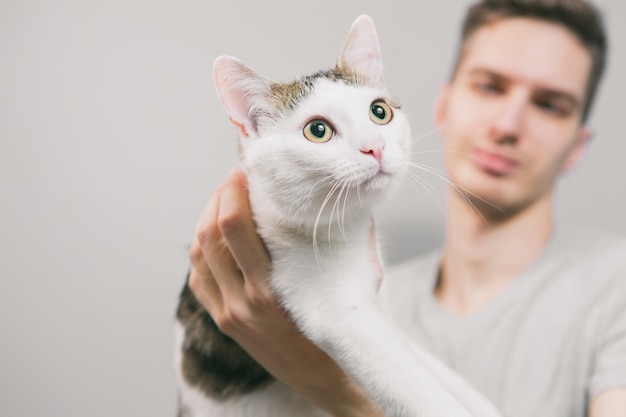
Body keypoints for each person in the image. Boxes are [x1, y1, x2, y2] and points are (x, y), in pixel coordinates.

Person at [187, 0, 626, 416]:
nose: (508, 126)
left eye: (550, 104)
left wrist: (336, 392)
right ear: (442, 104)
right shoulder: (384, 290)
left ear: (578, 145)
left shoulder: (613, 290)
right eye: (490, 86)